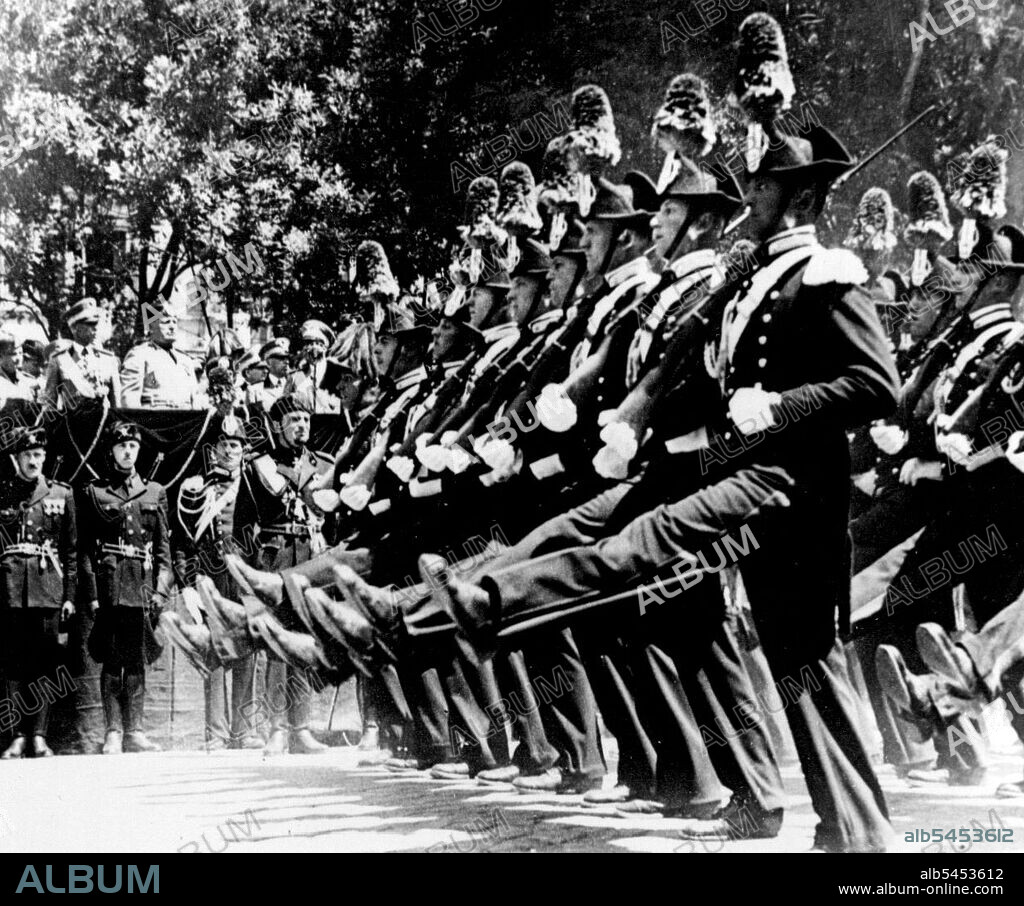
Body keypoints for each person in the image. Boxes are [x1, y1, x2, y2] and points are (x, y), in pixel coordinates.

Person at [429, 121, 899, 852]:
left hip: (790, 484)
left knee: (641, 548)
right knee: (803, 666)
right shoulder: (750, 277)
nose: (750, 196)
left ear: (800, 196)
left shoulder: (826, 275)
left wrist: (783, 406)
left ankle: (490, 597)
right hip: (741, 470)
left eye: (765, 185)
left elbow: (875, 386)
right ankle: (858, 836)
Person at [78, 421, 174, 754]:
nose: (128, 452)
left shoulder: (154, 491)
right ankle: (113, 731)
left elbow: (163, 550)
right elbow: (85, 552)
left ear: (138, 450)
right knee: (111, 659)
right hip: (109, 587)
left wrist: (161, 592)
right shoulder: (95, 492)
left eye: (133, 446)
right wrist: (91, 595)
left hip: (142, 586)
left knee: (135, 659)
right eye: (121, 447)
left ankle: (135, 730)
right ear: (112, 451)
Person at [246, 395, 334, 755]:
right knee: (277, 644)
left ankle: (301, 728)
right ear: (279, 426)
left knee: (304, 642)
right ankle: (277, 729)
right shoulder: (260, 466)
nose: (301, 426)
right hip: (276, 558)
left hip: (310, 557)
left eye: (305, 420)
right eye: (294, 420)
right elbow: (243, 523)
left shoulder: (324, 464)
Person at [172, 415, 263, 751]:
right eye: (224, 445)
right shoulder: (194, 487)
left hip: (243, 578)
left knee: (247, 652)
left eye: (235, 445)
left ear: (243, 449)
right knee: (214, 651)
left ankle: (244, 730)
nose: (229, 450)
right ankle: (217, 732)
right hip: (209, 579)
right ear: (212, 450)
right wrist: (187, 585)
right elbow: (183, 542)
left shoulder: (253, 485)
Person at [0, 427, 76, 758]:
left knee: (46, 662)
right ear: (16, 459)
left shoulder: (61, 494)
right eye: (27, 455)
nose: (34, 460)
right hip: (11, 589)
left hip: (48, 589)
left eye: (38, 455)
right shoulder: (3, 493)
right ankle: (17, 735)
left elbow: (71, 551)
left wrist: (70, 595)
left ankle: (41, 736)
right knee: (14, 663)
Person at [43, 298, 121, 409]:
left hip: (104, 424)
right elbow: (49, 406)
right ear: (74, 328)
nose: (95, 328)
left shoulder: (108, 360)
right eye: (90, 324)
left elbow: (117, 406)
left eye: (96, 323)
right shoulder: (59, 360)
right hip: (73, 424)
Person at [119, 309, 200, 408]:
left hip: (186, 420)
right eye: (166, 322)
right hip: (153, 420)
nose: (172, 327)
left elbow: (196, 399)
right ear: (151, 327)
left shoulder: (185, 360)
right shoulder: (139, 355)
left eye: (174, 322)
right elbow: (129, 400)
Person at [0, 335, 41, 405]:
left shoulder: (29, 380)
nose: (19, 358)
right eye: (13, 354)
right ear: (1, 356)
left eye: (20, 353)